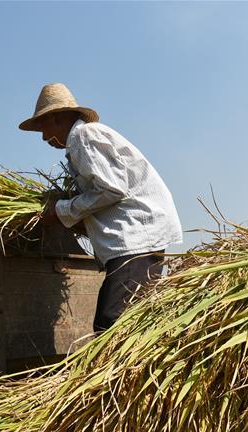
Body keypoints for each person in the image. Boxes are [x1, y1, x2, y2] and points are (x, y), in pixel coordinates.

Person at [19, 83, 183, 332]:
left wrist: (60, 210)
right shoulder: (86, 138)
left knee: (111, 323)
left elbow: (112, 189)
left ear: (57, 118)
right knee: (130, 323)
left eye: (43, 128)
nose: (43, 137)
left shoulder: (84, 137)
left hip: (136, 238)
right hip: (139, 237)